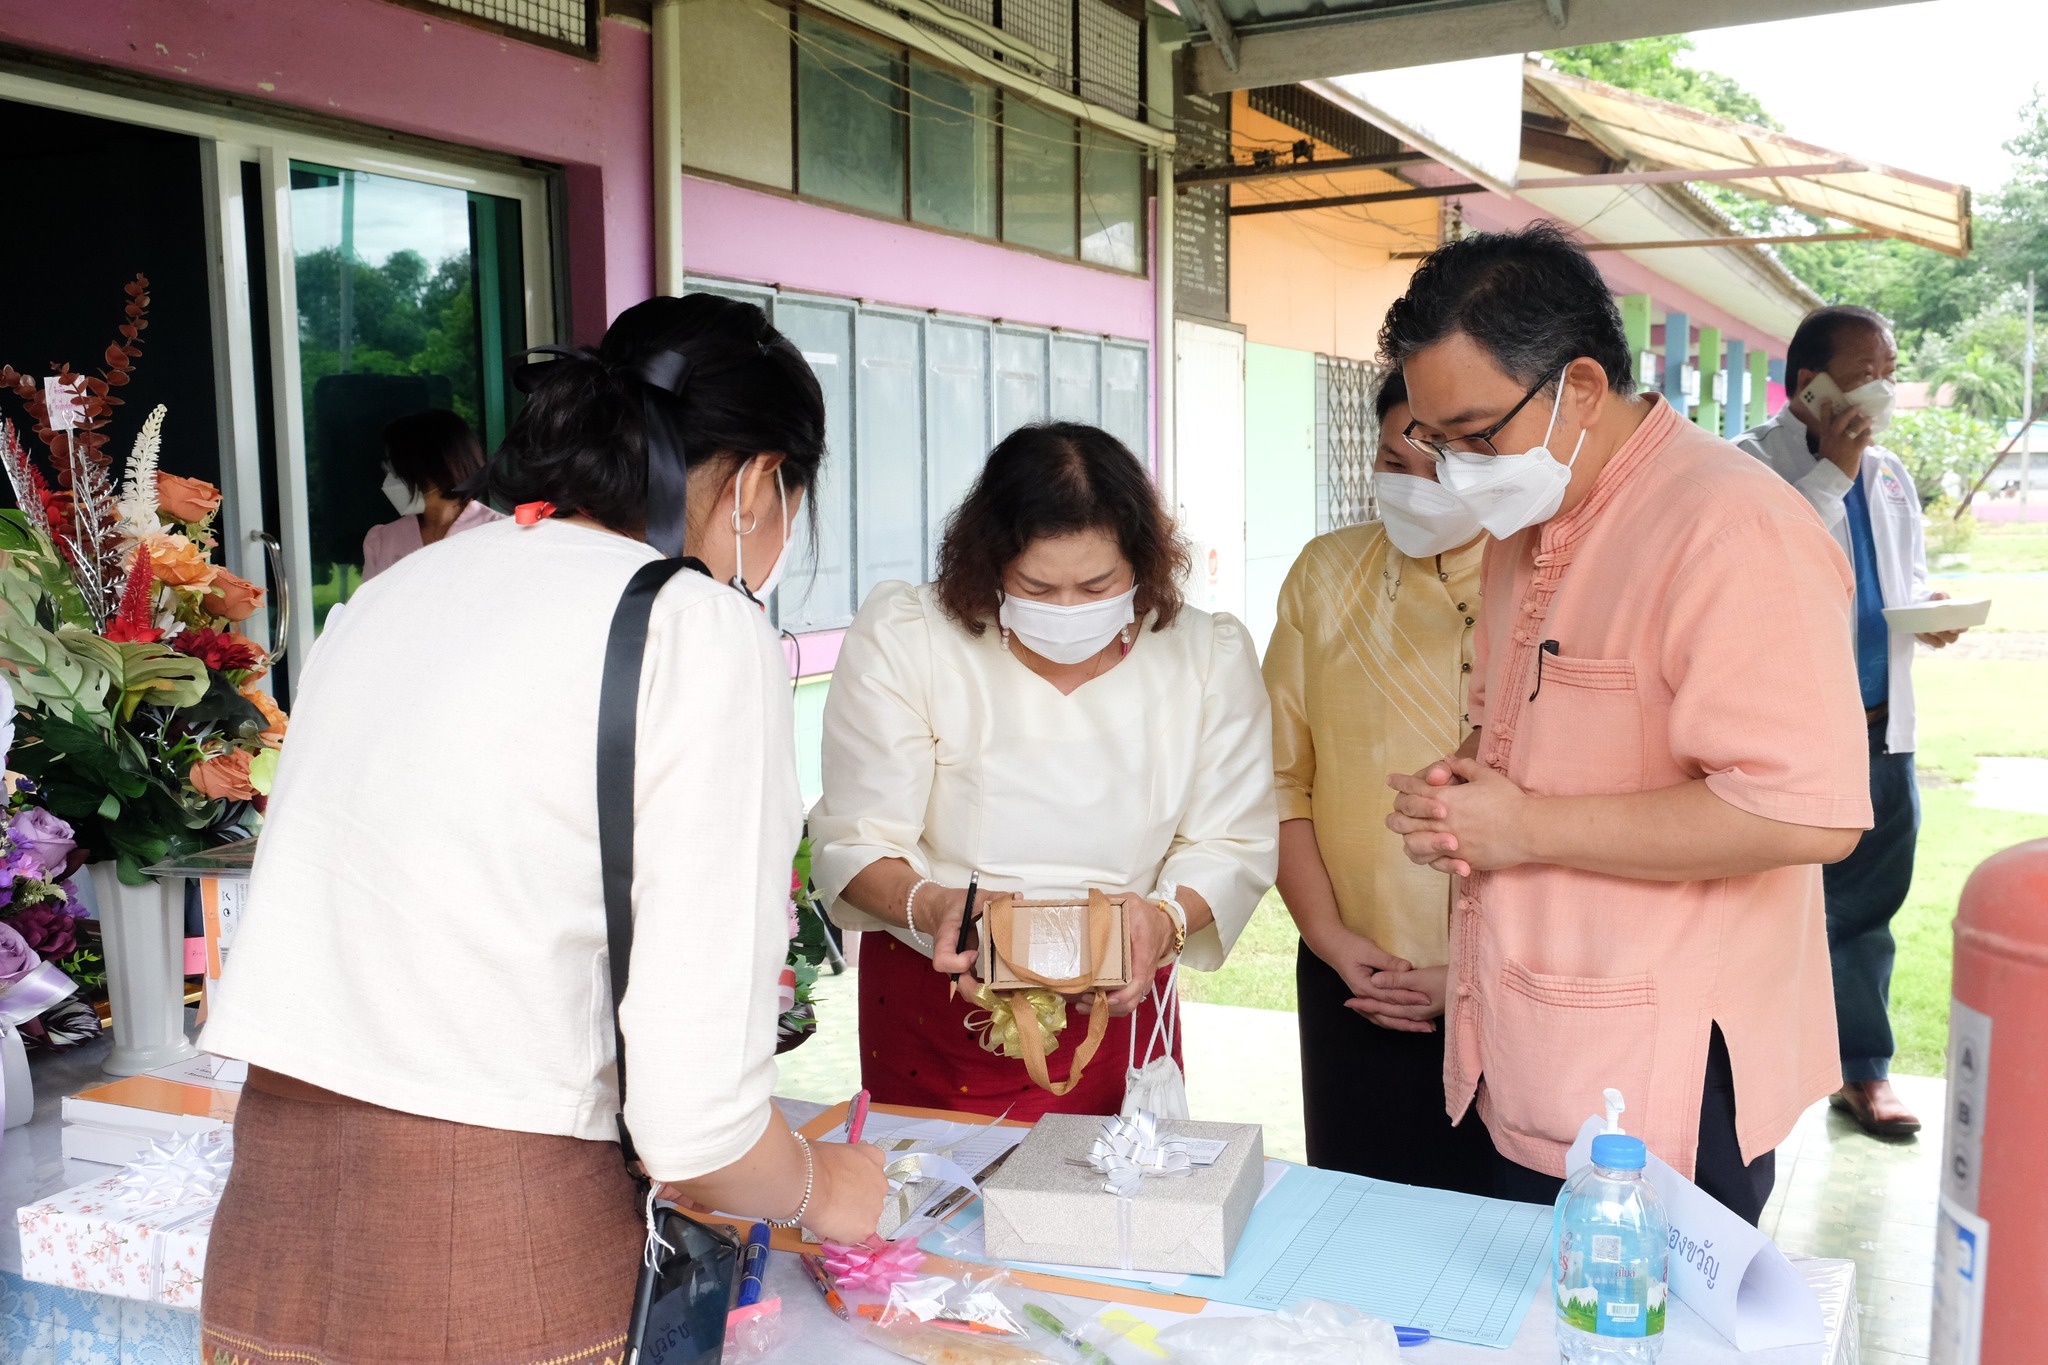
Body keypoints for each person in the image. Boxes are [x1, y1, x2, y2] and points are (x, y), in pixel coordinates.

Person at [198, 294, 887, 1365]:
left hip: (268, 1226)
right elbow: (698, 1128)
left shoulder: (388, 598)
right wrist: (821, 1187)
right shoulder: (691, 622)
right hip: (492, 1246)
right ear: (757, 484)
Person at [1380, 225, 1872, 1226]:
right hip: (1535, 1041)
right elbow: (1539, 726)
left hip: (1661, 1087)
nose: (1455, 469)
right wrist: (1472, 781)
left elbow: (1805, 817)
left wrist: (1524, 828)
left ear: (1583, 390)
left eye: (1475, 435)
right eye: (1436, 441)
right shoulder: (1537, 516)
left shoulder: (1732, 528)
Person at [810, 422, 1278, 1121]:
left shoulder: (1204, 657)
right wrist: (938, 908)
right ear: (990, 562)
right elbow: (858, 835)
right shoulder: (911, 638)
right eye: (1036, 585)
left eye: (1097, 585)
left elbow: (1231, 843)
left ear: (1144, 565)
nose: (1067, 610)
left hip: (1117, 1003)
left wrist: (1163, 922)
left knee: (1113, 1205)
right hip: (937, 1003)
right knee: (931, 1212)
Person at [1738, 306, 1968, 1139]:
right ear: (1810, 383)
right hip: (1793, 734)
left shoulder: (1892, 471)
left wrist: (1927, 609)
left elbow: (1889, 580)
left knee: (1869, 909)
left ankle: (1862, 1072)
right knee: (1772, 907)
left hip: (1881, 725)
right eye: (1870, 371)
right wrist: (1833, 467)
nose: (1887, 386)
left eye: (1892, 368)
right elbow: (1773, 568)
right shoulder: (1747, 465)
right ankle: (1756, 1070)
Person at [1264, 369, 1495, 1192]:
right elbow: (1281, 781)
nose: (1417, 484)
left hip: (1510, 990)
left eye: (1444, 463)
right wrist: (1333, 943)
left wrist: (1467, 980)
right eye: (1396, 462)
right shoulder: (1326, 575)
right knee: (1358, 1217)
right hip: (1354, 981)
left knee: (1501, 1242)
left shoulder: (1545, 582)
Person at [362, 408, 504, 580]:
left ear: (435, 467)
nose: (390, 478)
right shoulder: (382, 540)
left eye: (395, 468)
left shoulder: (500, 533)